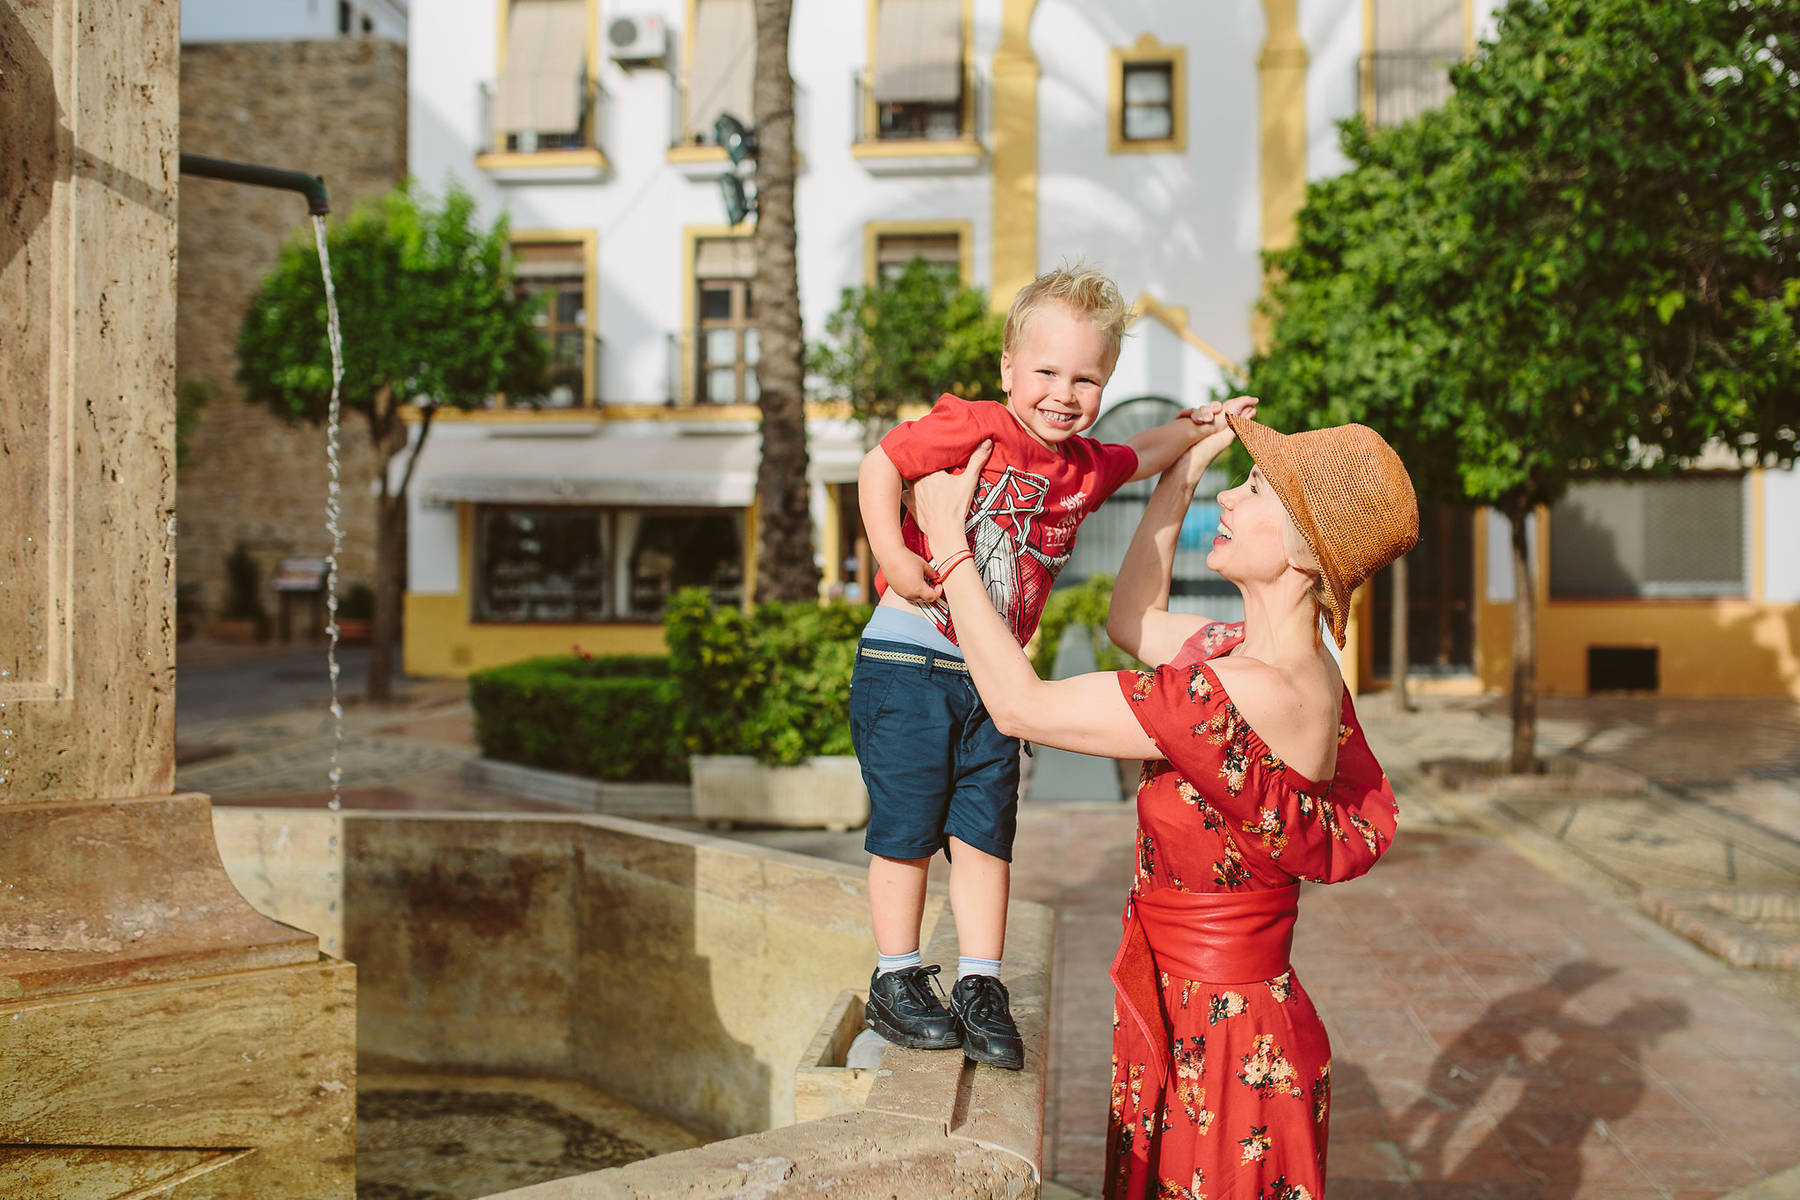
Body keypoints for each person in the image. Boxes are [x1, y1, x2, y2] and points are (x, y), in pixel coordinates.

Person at [909, 401, 1418, 1197]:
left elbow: (1022, 707)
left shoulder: (1244, 691)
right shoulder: (1252, 660)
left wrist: (949, 549)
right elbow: (1131, 618)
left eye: (1253, 490)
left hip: (1226, 1048)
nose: (1231, 499)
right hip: (1202, 1019)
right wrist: (1179, 476)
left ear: (1304, 552)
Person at [853, 265, 1219, 1070]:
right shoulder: (976, 426)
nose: (1064, 393)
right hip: (909, 653)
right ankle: (896, 976)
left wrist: (1201, 427)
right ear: (1008, 369)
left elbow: (1144, 449)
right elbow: (881, 464)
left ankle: (982, 980)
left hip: (993, 678)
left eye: (1087, 378)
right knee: (908, 825)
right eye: (1046, 372)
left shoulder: (1085, 468)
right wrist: (891, 555)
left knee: (986, 831)